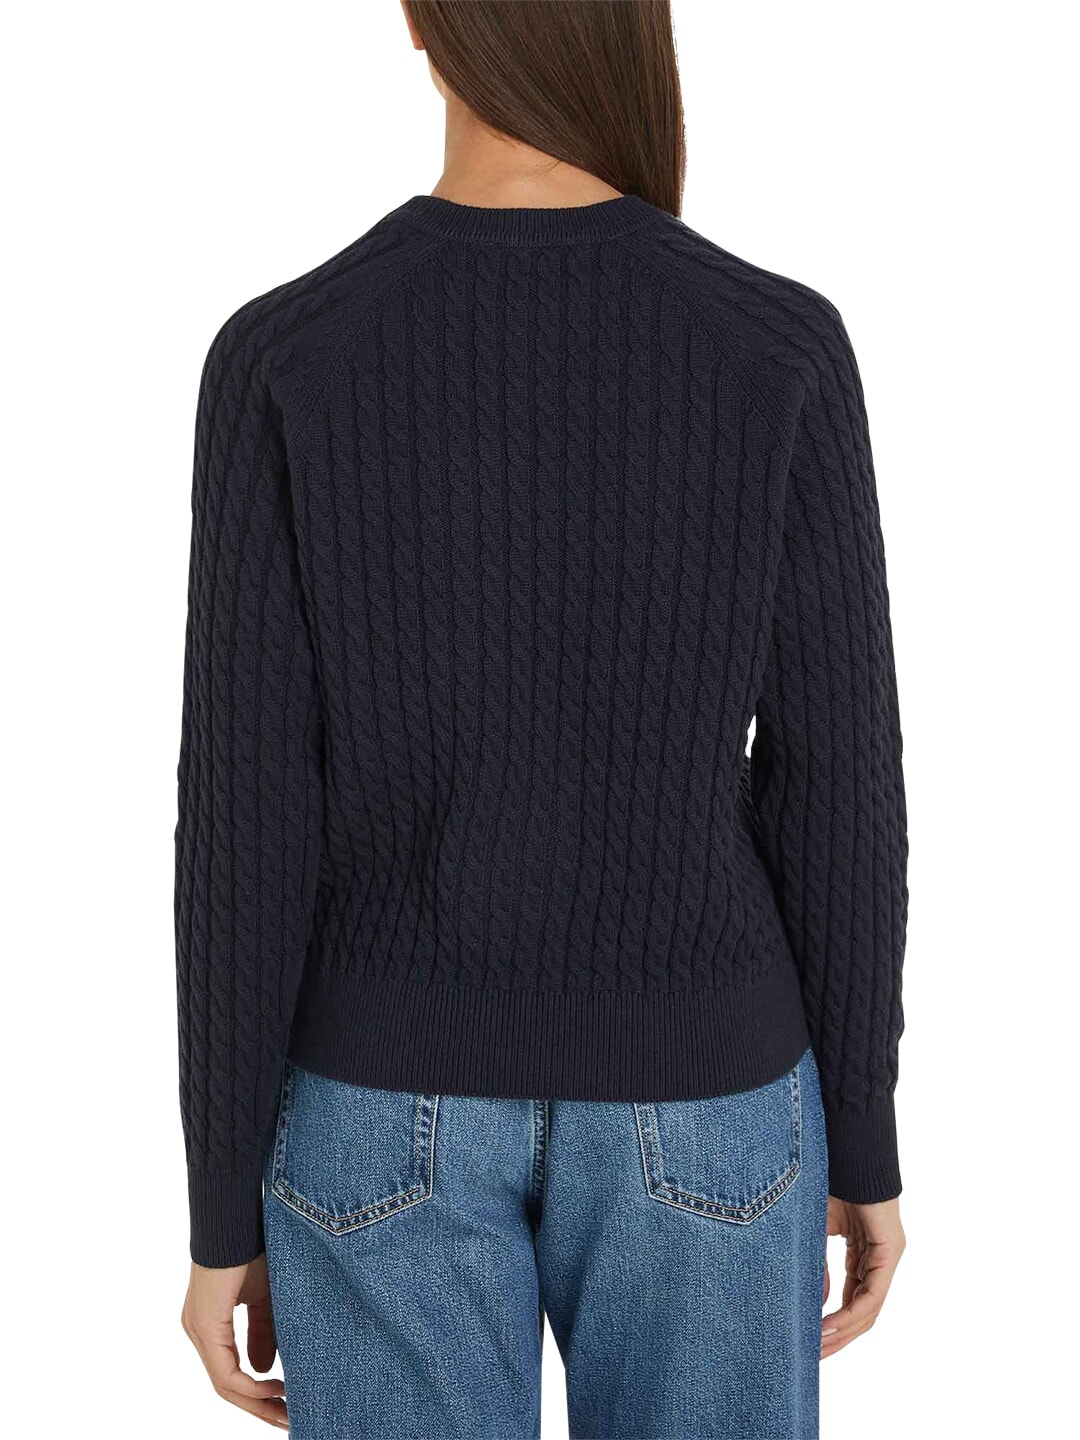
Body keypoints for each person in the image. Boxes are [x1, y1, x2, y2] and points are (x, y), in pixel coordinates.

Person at [175, 2, 909, 1435]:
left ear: (418, 18)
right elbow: (837, 782)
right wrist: (863, 1141)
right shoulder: (776, 345)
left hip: (376, 1097)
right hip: (706, 1087)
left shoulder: (285, 354)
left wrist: (220, 1211)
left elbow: (247, 821)